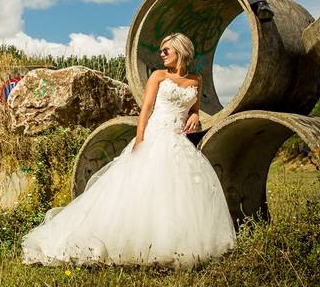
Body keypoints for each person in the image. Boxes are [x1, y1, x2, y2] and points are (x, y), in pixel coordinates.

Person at [21, 33, 236, 267]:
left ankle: (174, 245)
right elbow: (145, 110)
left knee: (177, 193)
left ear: (181, 51)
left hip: (178, 141)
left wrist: (194, 116)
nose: (161, 54)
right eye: (161, 50)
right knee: (141, 188)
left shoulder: (196, 79)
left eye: (167, 50)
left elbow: (194, 108)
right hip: (156, 135)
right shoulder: (158, 76)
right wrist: (140, 139)